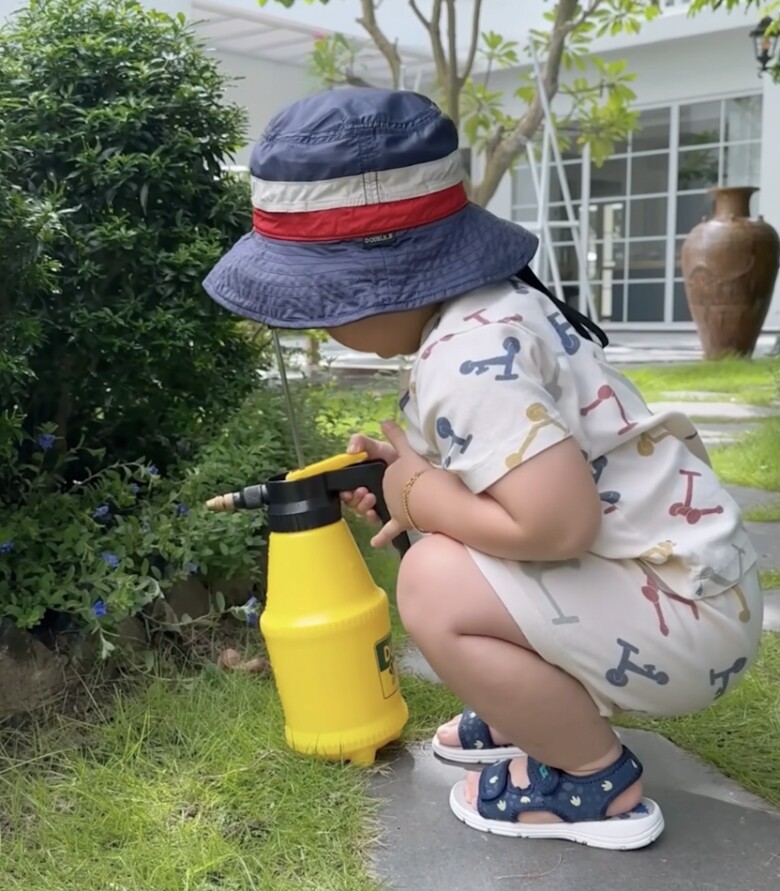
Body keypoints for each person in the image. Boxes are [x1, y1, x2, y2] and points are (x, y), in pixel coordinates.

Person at [203, 86, 763, 851]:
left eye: (316, 303)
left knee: (433, 581)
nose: (318, 324)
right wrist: (420, 476)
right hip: (687, 584)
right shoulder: (488, 314)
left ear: (377, 280)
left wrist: (426, 496)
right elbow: (519, 467)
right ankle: (523, 710)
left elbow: (556, 524)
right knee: (447, 558)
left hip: (683, 616)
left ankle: (590, 780)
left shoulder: (467, 357)